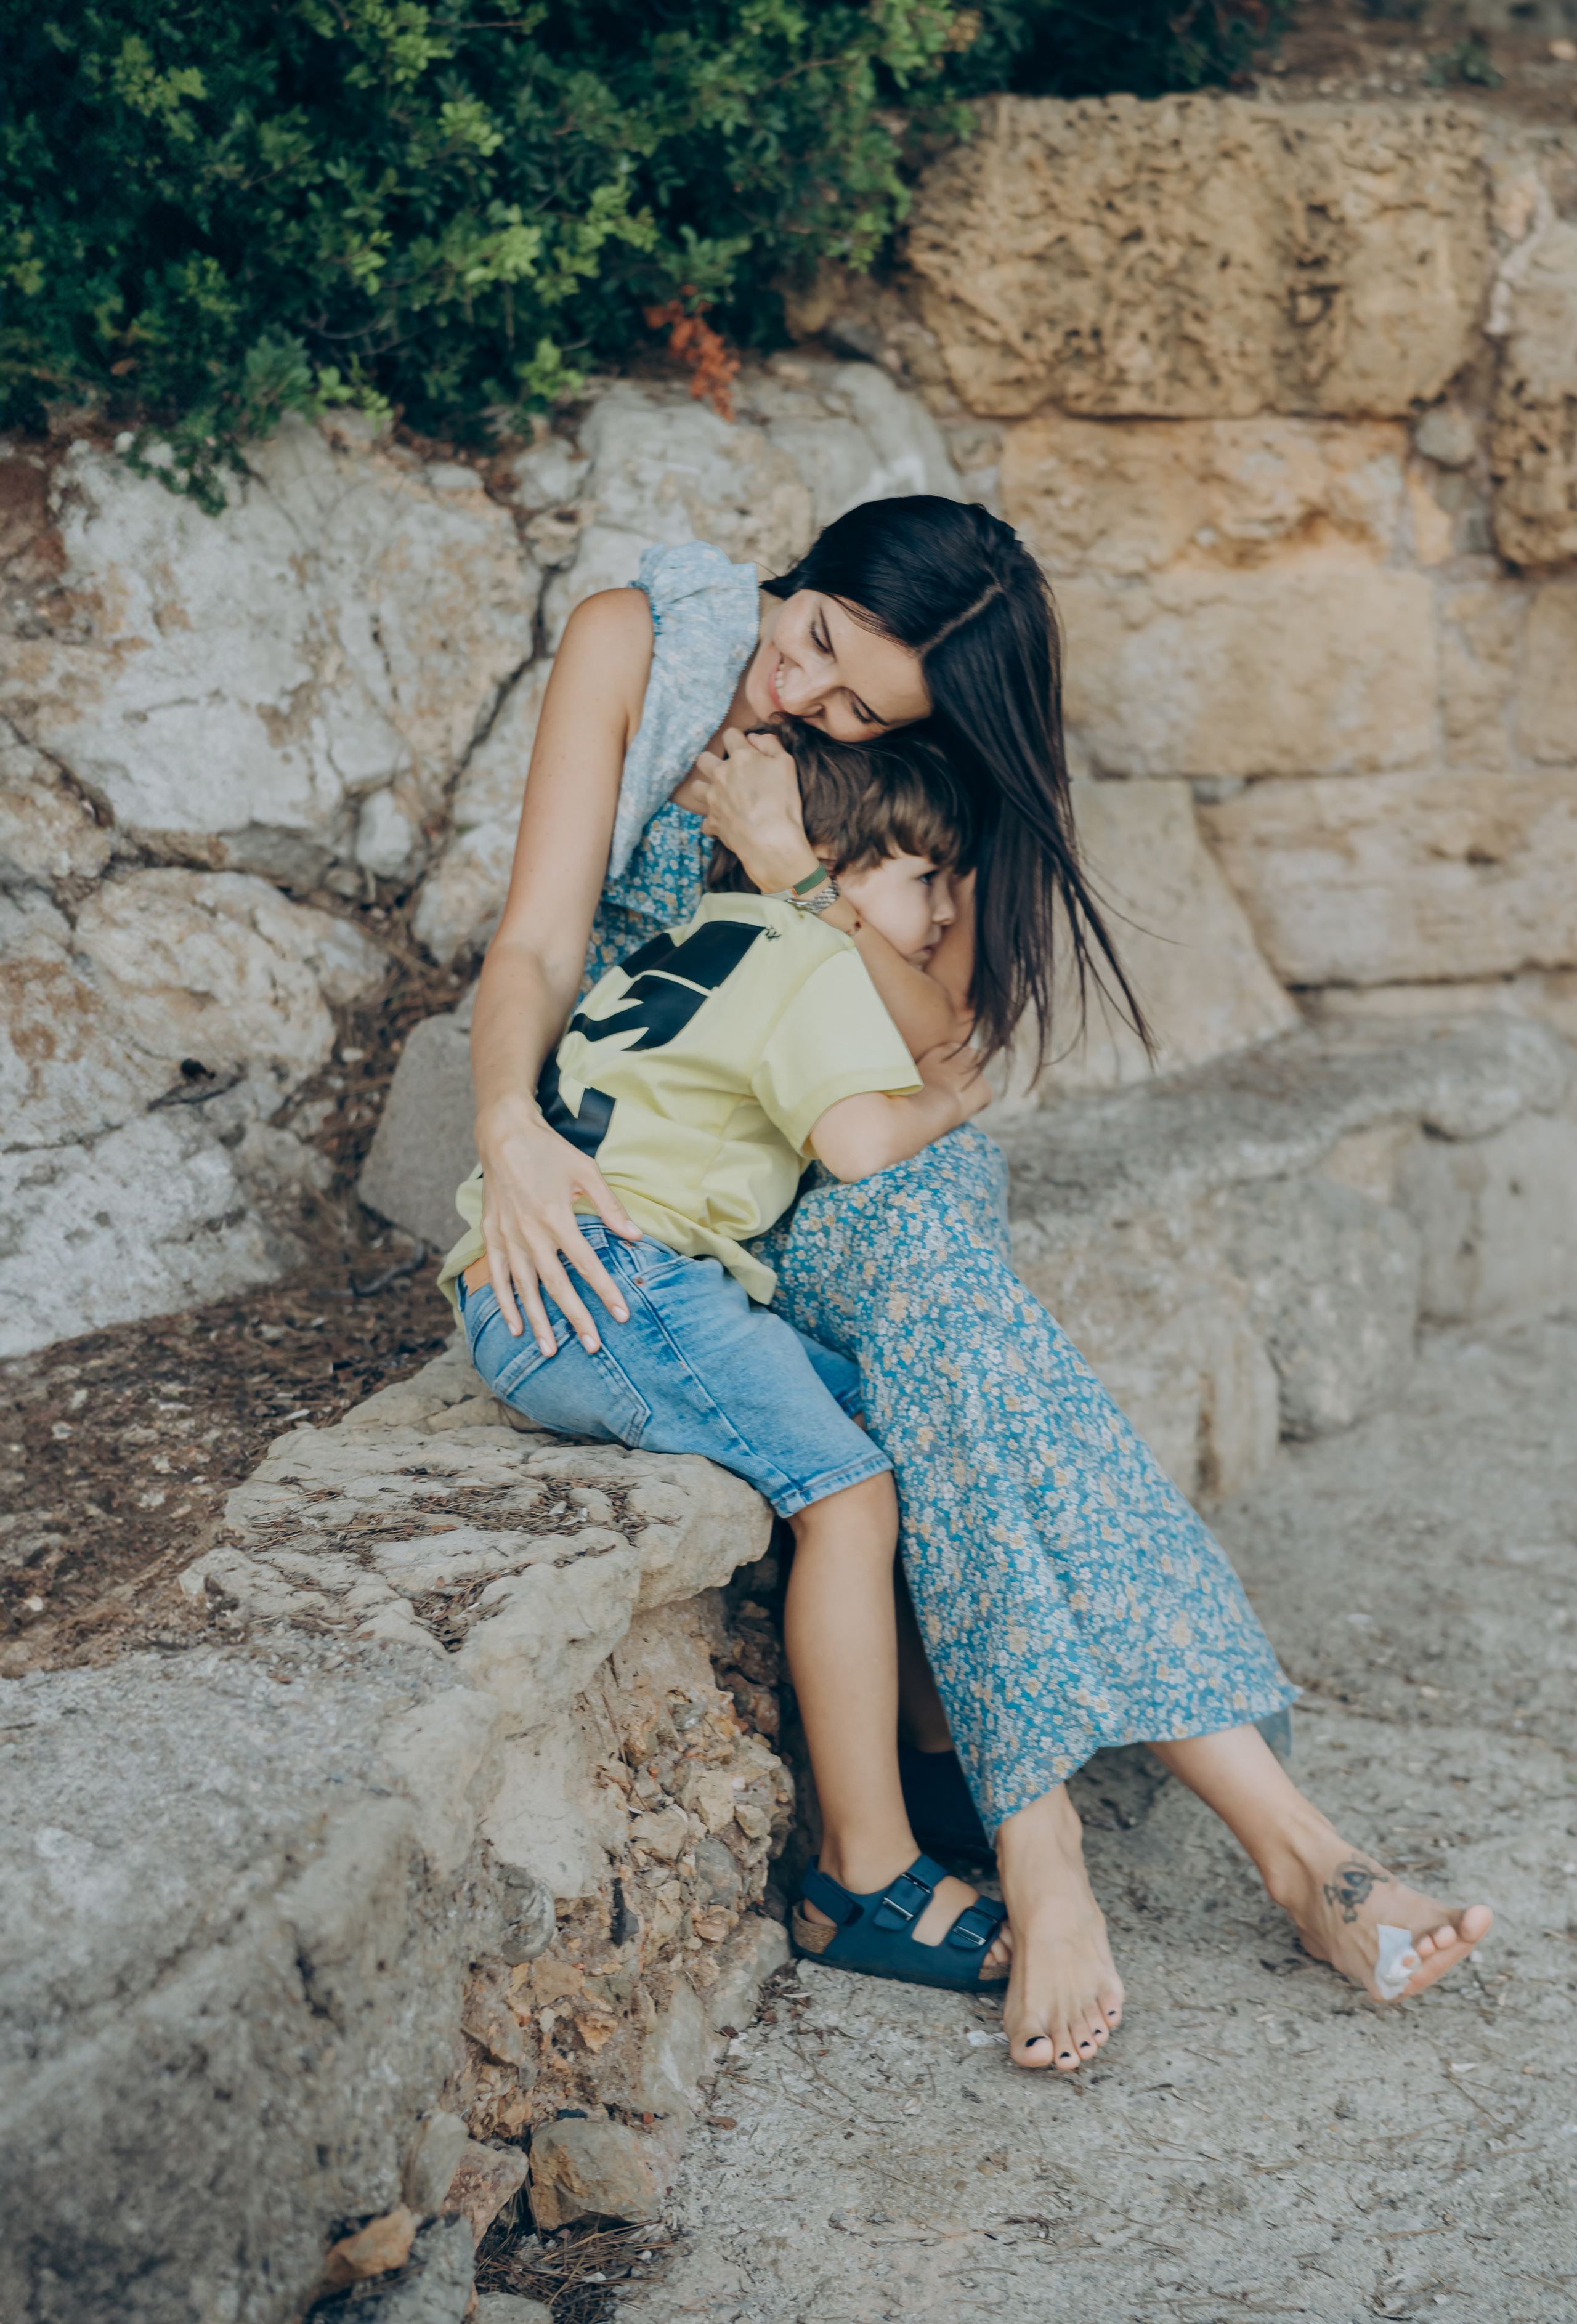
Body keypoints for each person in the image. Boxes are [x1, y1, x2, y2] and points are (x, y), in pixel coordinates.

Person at [466, 500, 1493, 2071]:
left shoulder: (906, 779)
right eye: (807, 642)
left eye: (859, 706)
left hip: (855, 1163)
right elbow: (537, 945)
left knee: (933, 1282)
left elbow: (939, 1050)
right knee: (961, 1332)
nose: (798, 698)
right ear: (796, 576)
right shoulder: (644, 646)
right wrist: (505, 1128)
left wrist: (801, 875)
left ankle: (1109, 1844)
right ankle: (1254, 1846)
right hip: (689, 1170)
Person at [445, 729, 1013, 1990]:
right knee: (850, 1492)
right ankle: (858, 1878)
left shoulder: (697, 934)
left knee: (889, 1420)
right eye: (925, 882)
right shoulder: (813, 956)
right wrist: (950, 1099)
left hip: (556, 1276)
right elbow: (862, 1142)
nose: (934, 921)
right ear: (838, 870)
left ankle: (932, 1761)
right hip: (604, 1287)